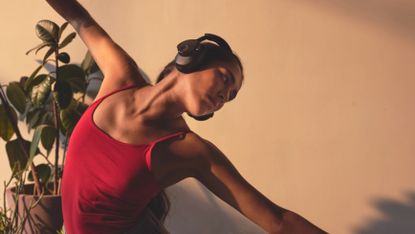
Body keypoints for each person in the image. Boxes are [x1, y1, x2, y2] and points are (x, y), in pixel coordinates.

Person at [45, 0, 327, 233]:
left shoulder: (189, 149)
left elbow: (277, 220)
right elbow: (78, 18)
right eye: (225, 79)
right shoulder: (120, 77)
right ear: (190, 58)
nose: (223, 97)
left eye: (230, 97)